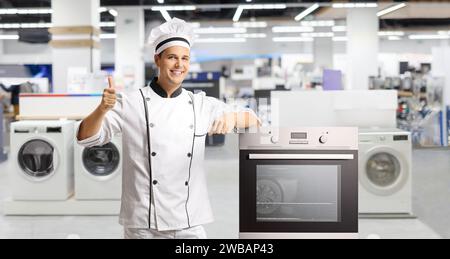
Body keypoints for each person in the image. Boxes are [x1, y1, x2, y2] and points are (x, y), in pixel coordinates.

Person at [76, 18, 260, 239]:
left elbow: (253, 120)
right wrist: (101, 109)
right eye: (172, 57)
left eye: (185, 58)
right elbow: (86, 137)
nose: (179, 65)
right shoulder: (132, 103)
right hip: (143, 222)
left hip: (188, 220)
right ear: (158, 59)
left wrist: (231, 118)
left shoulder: (201, 104)